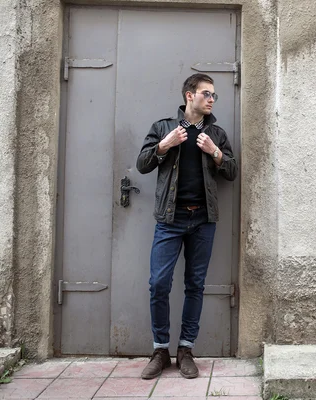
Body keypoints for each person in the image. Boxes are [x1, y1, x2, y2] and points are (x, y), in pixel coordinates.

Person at [136, 73, 237, 380]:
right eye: (207, 94)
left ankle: (186, 350)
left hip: (203, 220)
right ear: (189, 95)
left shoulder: (216, 133)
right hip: (170, 219)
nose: (212, 100)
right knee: (159, 284)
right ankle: (159, 350)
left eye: (214, 96)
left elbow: (232, 170)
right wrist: (164, 146)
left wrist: (215, 153)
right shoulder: (163, 128)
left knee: (195, 285)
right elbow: (142, 164)